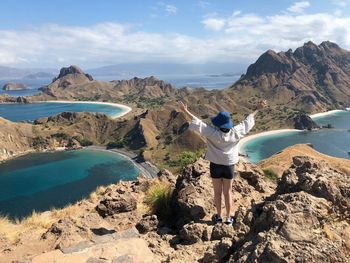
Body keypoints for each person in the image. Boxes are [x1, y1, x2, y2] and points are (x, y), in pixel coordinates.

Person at [179, 100, 268, 225]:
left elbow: (197, 122)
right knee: (228, 192)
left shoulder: (212, 133)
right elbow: (247, 121)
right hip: (229, 166)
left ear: (218, 124)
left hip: (215, 165)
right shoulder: (236, 132)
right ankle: (228, 219)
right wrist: (258, 109)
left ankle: (219, 217)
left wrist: (185, 110)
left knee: (217, 192)